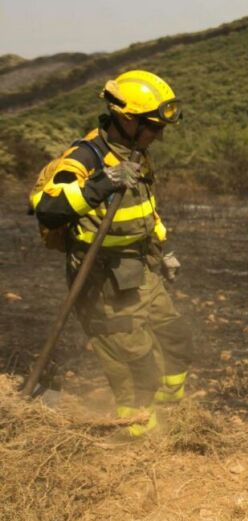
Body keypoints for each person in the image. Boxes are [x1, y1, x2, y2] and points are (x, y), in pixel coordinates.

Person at [29, 70, 192, 436]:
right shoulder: (83, 159)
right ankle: (134, 437)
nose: (160, 135)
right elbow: (48, 208)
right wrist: (102, 183)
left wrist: (161, 248)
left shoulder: (137, 153)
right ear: (127, 119)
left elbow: (143, 209)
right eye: (153, 126)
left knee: (177, 340)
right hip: (102, 278)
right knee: (136, 364)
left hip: (141, 267)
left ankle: (170, 411)